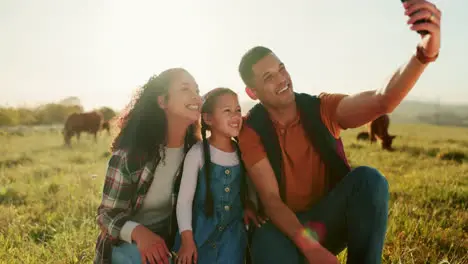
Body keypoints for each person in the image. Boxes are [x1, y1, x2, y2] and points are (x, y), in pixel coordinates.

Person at [236, 1, 441, 264]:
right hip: (283, 229)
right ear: (252, 93)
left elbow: (382, 100)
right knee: (264, 243)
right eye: (268, 78)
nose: (282, 80)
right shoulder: (251, 129)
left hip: (328, 220)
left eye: (281, 68)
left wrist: (424, 53)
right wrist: (311, 249)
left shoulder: (321, 108)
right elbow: (272, 202)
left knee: (369, 180)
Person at [94, 68, 203, 264]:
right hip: (128, 243)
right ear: (162, 101)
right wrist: (140, 234)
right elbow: (106, 216)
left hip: (172, 241)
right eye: (185, 89)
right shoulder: (131, 155)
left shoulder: (195, 153)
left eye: (197, 90)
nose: (196, 96)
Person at [172, 88, 264, 264]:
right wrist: (187, 240)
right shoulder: (197, 153)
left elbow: (249, 186)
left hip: (231, 238)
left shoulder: (241, 151)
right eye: (227, 111)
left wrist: (249, 205)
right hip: (199, 235)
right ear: (208, 119)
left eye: (238, 110)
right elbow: (184, 201)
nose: (236, 116)